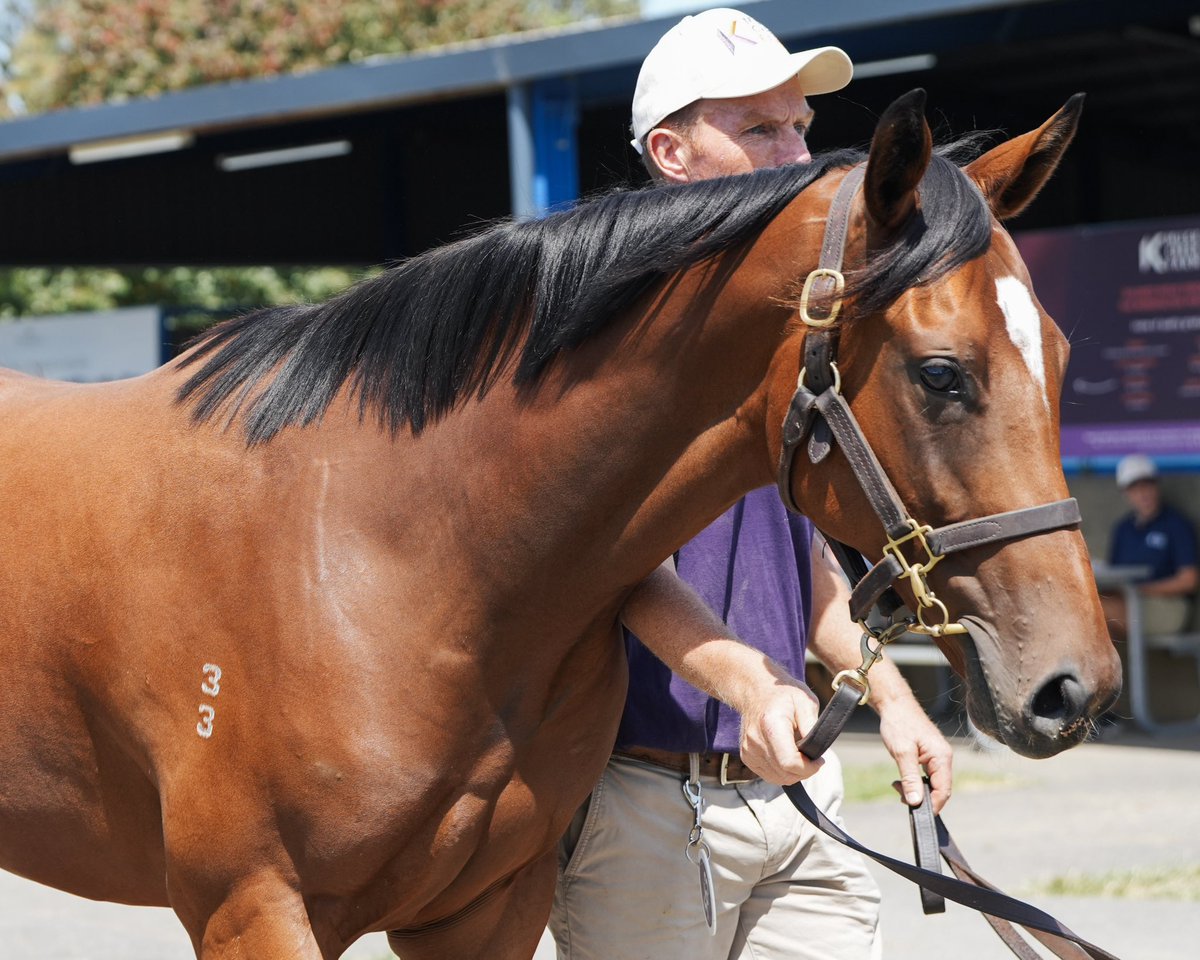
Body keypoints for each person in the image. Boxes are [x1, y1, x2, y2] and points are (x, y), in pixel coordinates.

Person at [549, 10, 954, 959]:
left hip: (800, 796)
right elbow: (618, 567)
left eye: (802, 126)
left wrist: (890, 696)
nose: (801, 150)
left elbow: (800, 565)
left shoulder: (784, 337)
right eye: (760, 129)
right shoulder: (606, 342)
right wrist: (751, 686)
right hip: (648, 805)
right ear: (671, 152)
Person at [1101, 453, 1198, 640]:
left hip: (1168, 607)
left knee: (1096, 611)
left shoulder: (1176, 524)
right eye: (1134, 488)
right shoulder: (1123, 528)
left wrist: (1141, 589)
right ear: (1125, 493)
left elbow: (1189, 580)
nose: (1143, 493)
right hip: (1128, 601)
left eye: (1147, 484)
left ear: (1156, 485)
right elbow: (1113, 574)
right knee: (1085, 605)